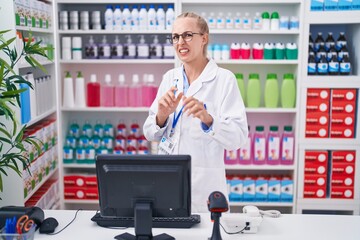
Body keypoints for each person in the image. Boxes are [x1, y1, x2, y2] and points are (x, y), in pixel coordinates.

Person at [143, 12, 248, 213]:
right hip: (168, 181)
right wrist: (161, 116)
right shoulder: (169, 78)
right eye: (175, 37)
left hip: (205, 188)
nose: (180, 42)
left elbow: (239, 139)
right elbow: (149, 132)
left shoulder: (224, 79)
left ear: (204, 38)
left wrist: (209, 120)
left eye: (188, 35)